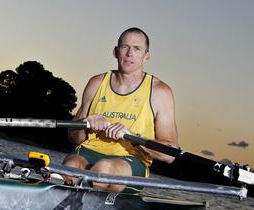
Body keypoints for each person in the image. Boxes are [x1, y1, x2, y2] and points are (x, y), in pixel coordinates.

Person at [63, 27, 178, 192]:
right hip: (89, 151)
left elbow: (170, 154)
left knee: (103, 169)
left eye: (137, 48)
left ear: (147, 56)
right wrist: (84, 124)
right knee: (70, 167)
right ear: (116, 52)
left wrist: (133, 137)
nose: (130, 53)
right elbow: (75, 139)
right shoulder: (96, 83)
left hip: (131, 160)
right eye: (125, 47)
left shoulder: (160, 92)